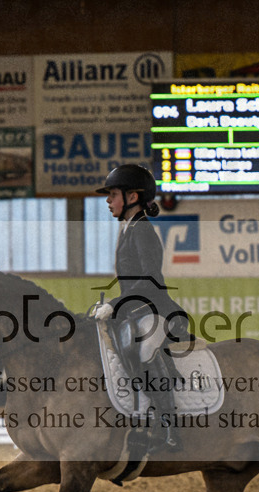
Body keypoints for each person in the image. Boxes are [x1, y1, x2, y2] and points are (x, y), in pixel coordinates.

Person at [92, 164, 188, 451]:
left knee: (143, 350)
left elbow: (150, 281)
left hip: (156, 310)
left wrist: (116, 304)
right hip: (137, 310)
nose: (108, 200)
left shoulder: (142, 230)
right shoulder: (128, 229)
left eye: (113, 194)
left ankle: (169, 428)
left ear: (132, 197)